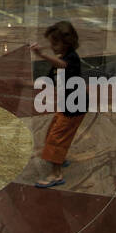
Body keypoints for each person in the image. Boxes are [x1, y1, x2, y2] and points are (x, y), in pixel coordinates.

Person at [31, 21, 87, 189]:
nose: (52, 47)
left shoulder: (71, 59)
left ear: (68, 43)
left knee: (57, 138)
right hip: (67, 106)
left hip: (74, 107)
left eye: (55, 43)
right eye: (51, 43)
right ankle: (59, 158)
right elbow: (47, 81)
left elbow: (62, 65)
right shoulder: (61, 60)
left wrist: (42, 55)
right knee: (53, 133)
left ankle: (56, 174)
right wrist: (24, 84)